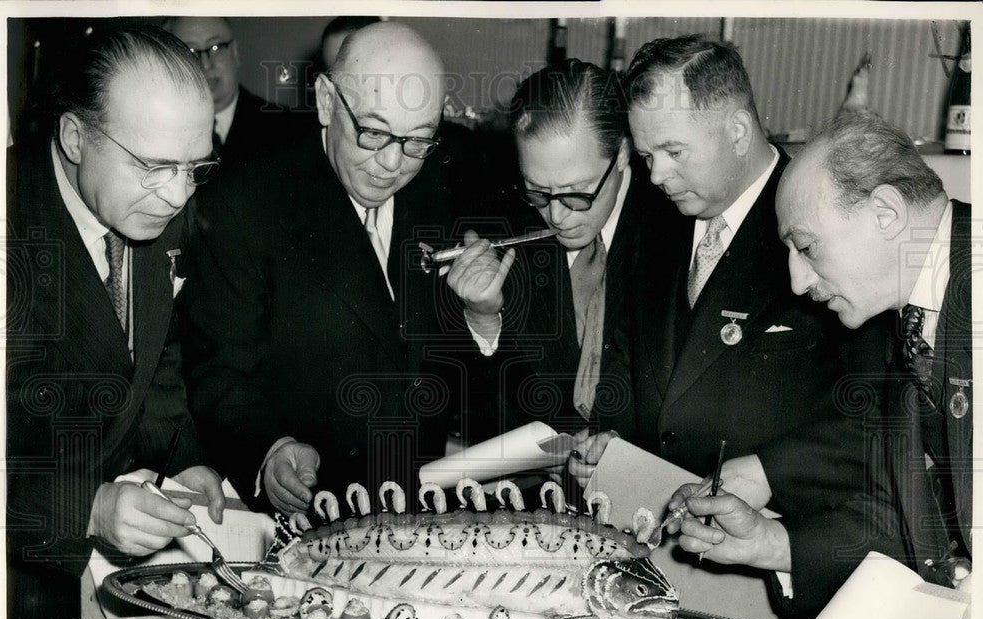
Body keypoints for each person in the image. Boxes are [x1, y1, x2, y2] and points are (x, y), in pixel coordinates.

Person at [5, 25, 227, 619]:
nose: (178, 194)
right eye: (156, 166)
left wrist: (186, 458)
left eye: (196, 166)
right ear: (74, 136)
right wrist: (90, 507)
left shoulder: (159, 205)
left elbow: (153, 366)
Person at [669, 111, 971, 619]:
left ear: (885, 212)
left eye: (806, 246)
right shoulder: (908, 315)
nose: (796, 279)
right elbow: (916, 521)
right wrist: (771, 545)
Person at [569, 35, 884, 521]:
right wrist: (615, 444)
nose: (656, 176)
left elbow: (876, 412)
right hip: (650, 522)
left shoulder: (824, 221)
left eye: (674, 151)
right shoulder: (652, 217)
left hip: (776, 539)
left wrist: (770, 474)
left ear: (738, 131)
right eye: (648, 156)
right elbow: (626, 353)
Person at [181, 22, 493, 512]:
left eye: (417, 141)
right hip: (310, 514)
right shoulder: (243, 206)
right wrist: (271, 449)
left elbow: (452, 373)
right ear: (326, 102)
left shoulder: (446, 190)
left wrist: (482, 318)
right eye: (371, 132)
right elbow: (217, 375)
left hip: (420, 506)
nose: (392, 164)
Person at [447, 59, 667, 444]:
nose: (556, 215)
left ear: (621, 154)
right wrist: (484, 320)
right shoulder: (502, 223)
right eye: (537, 191)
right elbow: (480, 408)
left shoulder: (674, 226)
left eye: (577, 192)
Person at [163, 16, 309, 165]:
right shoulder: (161, 135)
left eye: (216, 47)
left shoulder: (287, 128)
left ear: (235, 52)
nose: (206, 64)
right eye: (190, 51)